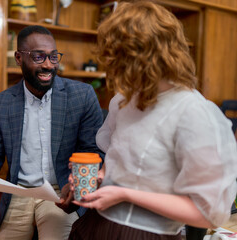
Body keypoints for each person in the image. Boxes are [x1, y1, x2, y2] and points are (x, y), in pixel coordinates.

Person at [68, 1, 237, 240]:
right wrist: (93, 176)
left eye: (120, 59)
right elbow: (117, 162)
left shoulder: (195, 113)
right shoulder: (122, 101)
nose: (114, 68)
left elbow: (208, 214)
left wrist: (126, 194)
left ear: (148, 57)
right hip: (95, 226)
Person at [0, 25, 104, 240]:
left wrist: (75, 183)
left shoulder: (82, 95)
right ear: (19, 58)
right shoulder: (3, 102)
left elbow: (93, 151)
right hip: (18, 192)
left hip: (59, 192)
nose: (49, 65)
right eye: (39, 57)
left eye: (53, 57)